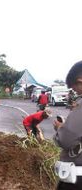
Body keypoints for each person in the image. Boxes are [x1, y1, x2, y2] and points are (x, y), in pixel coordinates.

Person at [53, 61, 82, 189]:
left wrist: (60, 128)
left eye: (74, 88)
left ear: (80, 81)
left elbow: (66, 140)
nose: (75, 92)